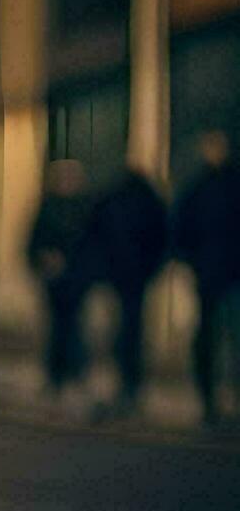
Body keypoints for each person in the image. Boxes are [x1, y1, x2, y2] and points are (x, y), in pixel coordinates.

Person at [172, 130, 240, 426]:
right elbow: (181, 230)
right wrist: (192, 262)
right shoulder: (197, 189)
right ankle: (208, 399)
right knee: (208, 338)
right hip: (209, 273)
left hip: (231, 273)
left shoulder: (230, 186)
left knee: (232, 335)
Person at [88, 168, 167, 415]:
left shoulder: (111, 201)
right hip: (132, 278)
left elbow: (94, 235)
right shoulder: (146, 201)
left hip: (120, 277)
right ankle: (128, 384)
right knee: (129, 330)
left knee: (118, 331)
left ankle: (121, 384)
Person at [27, 159, 96, 396]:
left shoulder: (85, 209)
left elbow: (92, 246)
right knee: (57, 329)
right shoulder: (48, 208)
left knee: (75, 328)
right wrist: (43, 261)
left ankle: (76, 374)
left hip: (76, 280)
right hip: (54, 281)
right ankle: (55, 377)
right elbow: (33, 242)